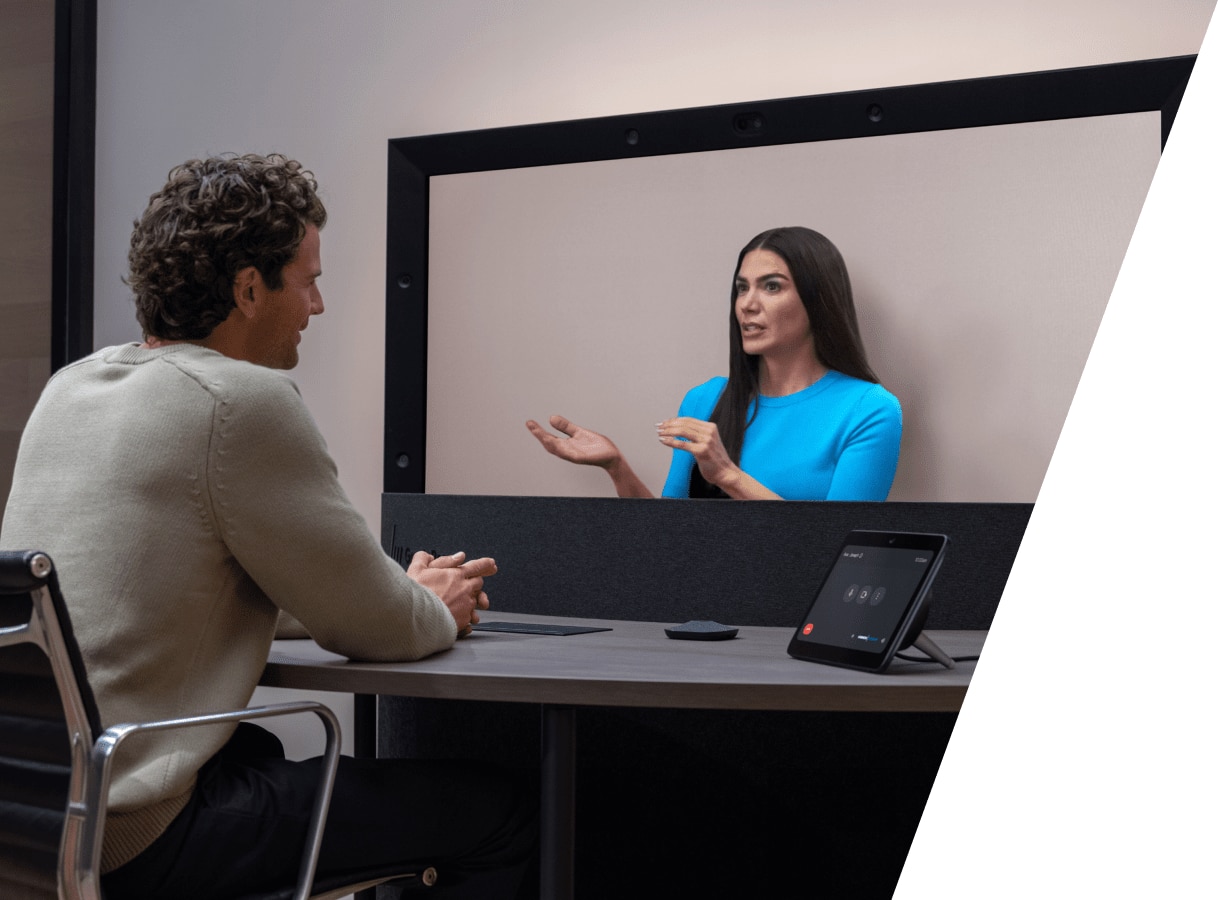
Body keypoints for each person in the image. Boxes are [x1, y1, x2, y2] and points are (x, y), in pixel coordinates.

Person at [1, 154, 536, 899]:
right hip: (133, 837)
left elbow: (190, 588)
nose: (318, 305)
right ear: (250, 289)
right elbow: (381, 630)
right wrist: (427, 606)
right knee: (502, 812)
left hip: (34, 816)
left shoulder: (71, 388)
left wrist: (392, 595)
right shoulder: (238, 402)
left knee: (254, 749)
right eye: (308, 280)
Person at [526, 226, 901, 500]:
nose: (747, 304)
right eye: (742, 288)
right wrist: (616, 467)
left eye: (772, 286)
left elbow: (840, 550)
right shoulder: (704, 400)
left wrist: (727, 475)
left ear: (818, 300)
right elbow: (667, 538)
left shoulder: (868, 410)